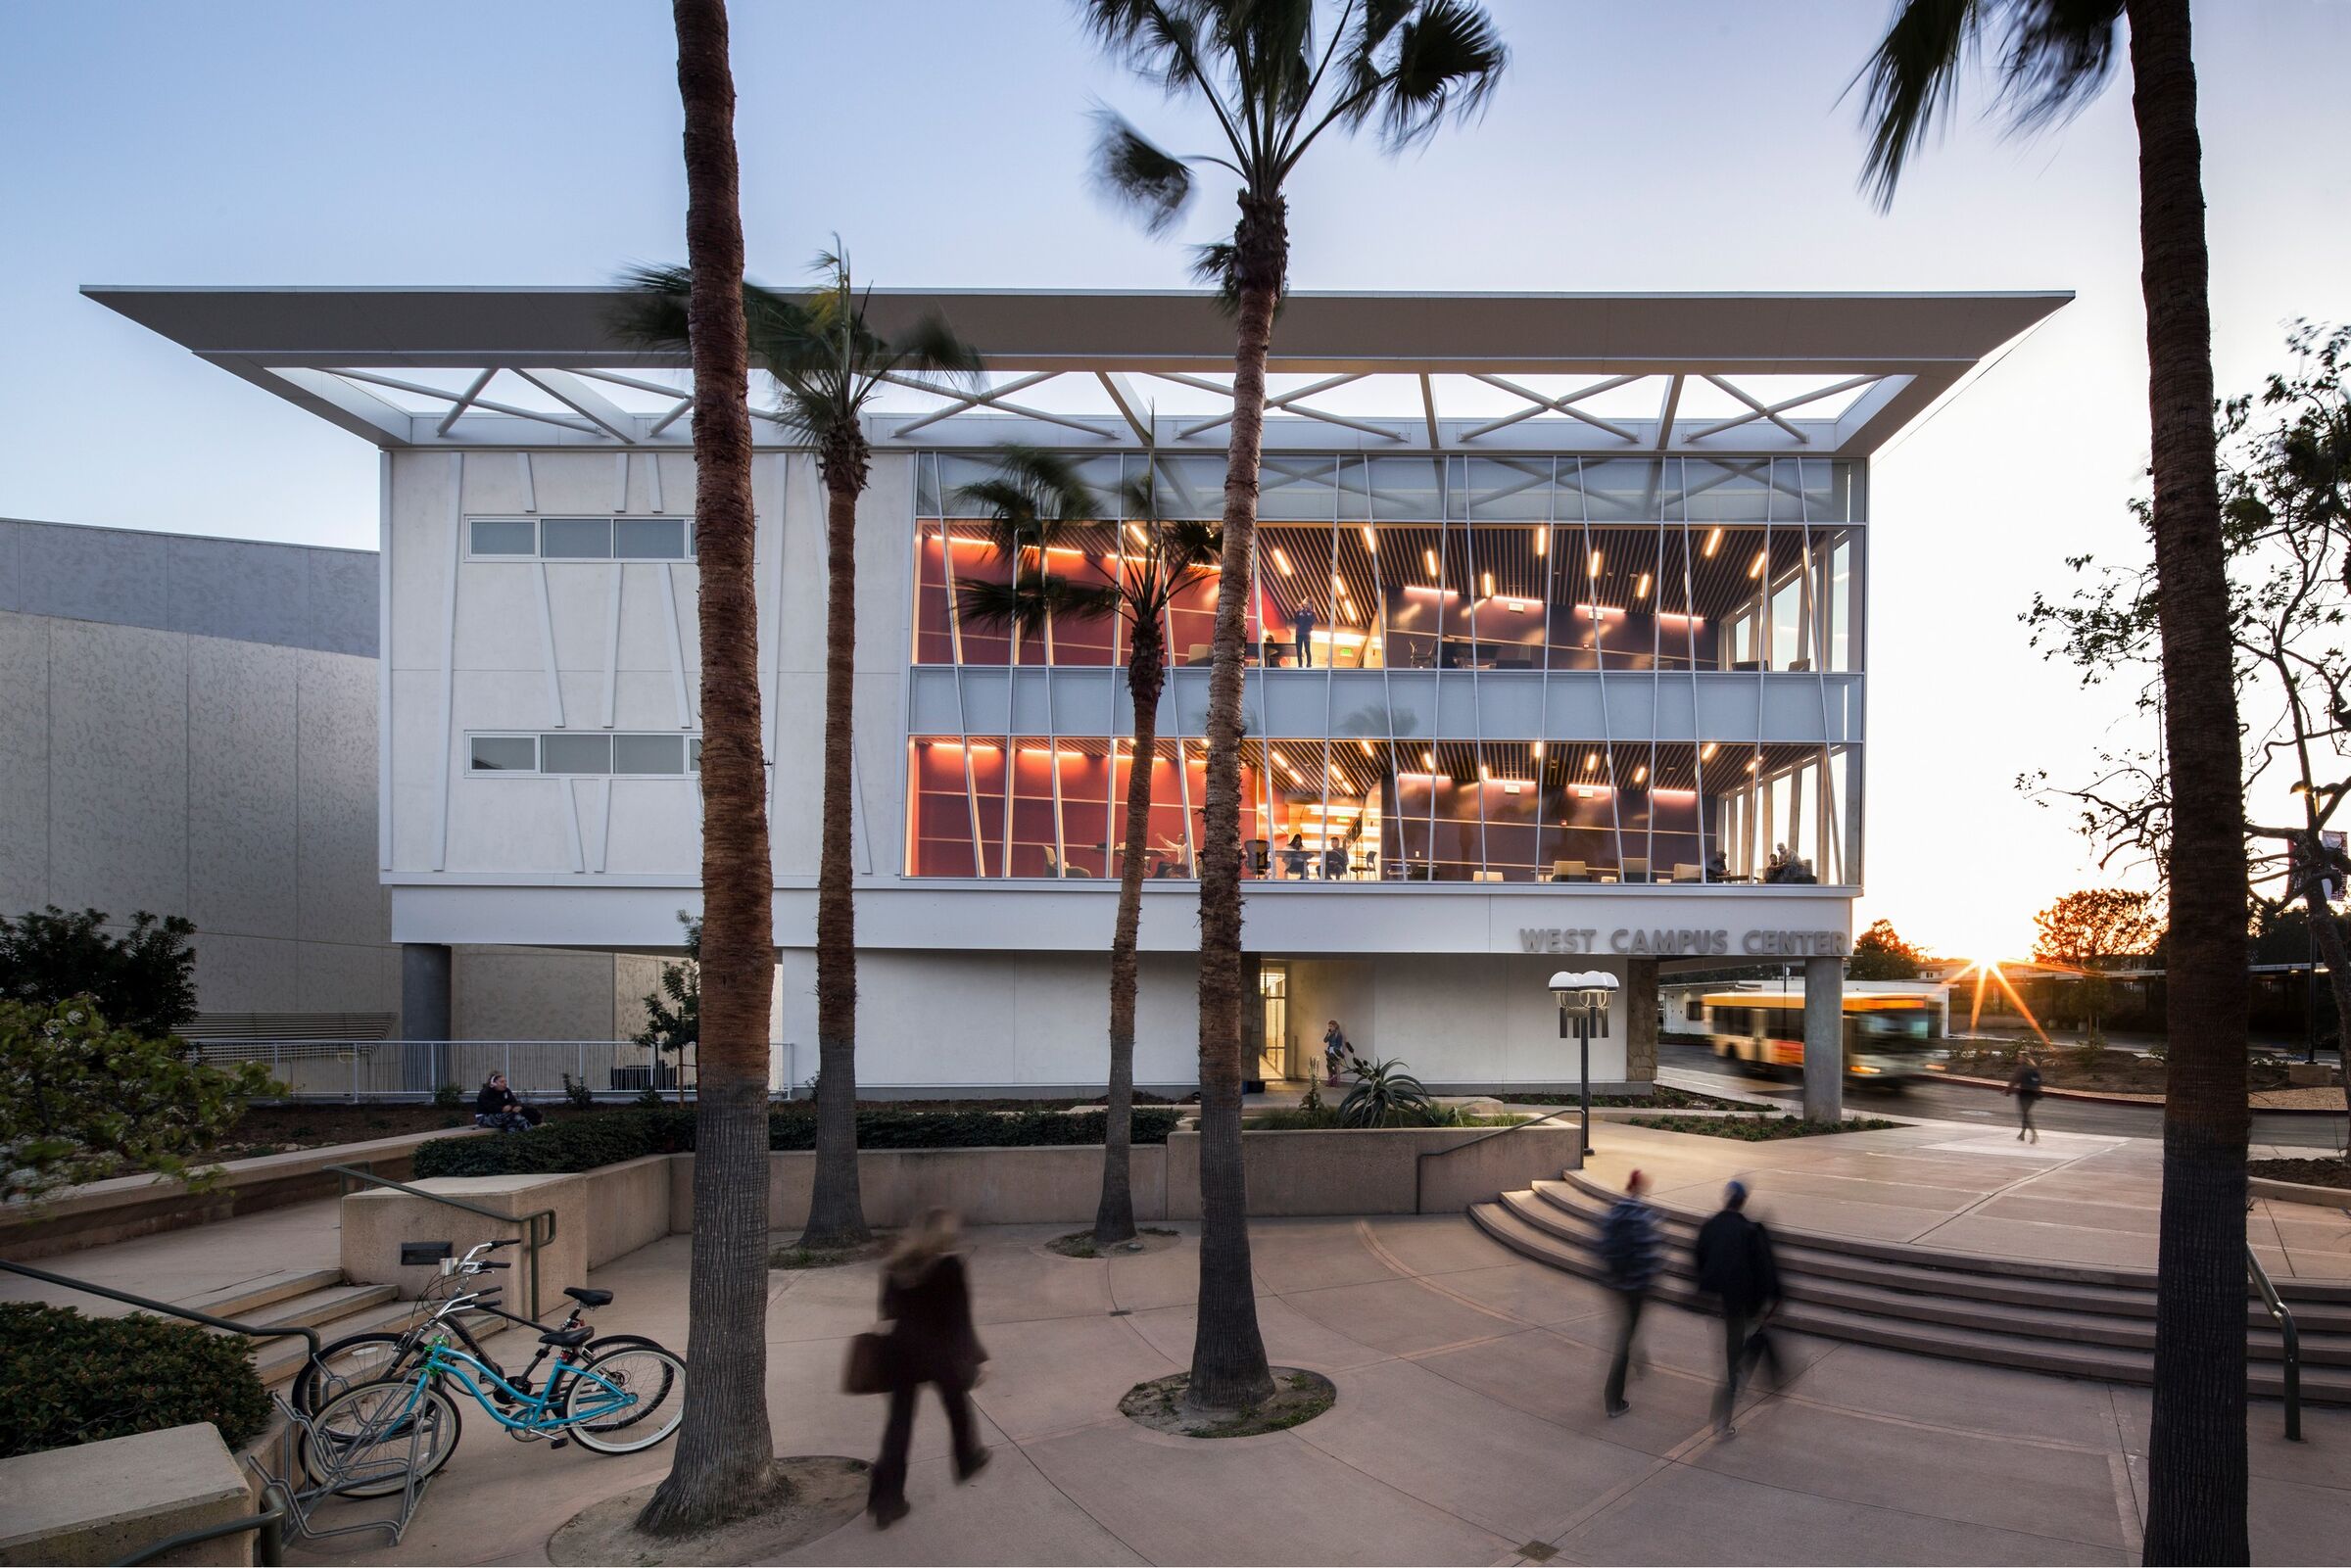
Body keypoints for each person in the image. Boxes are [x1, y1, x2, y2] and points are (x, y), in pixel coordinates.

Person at [868, 1209, 990, 1528]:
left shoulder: (895, 1267)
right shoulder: (949, 1267)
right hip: (939, 1354)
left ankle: (886, 1501)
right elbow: (961, 1321)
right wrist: (975, 1360)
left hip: (900, 1353)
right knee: (957, 1404)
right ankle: (966, 1459)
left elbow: (886, 1313)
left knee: (899, 1426)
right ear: (940, 1234)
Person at [1693, 1179, 1781, 1436]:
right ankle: (1724, 1414)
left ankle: (1729, 1398)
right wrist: (1774, 1297)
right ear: (1742, 1201)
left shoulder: (1711, 1226)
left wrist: (1704, 1290)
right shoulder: (1750, 1230)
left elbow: (1699, 1258)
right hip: (1744, 1304)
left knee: (1733, 1353)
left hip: (1722, 1301)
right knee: (1739, 1357)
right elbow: (1764, 1269)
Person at [1598, 1168, 1660, 1418]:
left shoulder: (1614, 1210)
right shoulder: (1643, 1216)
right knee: (1626, 1337)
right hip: (1636, 1286)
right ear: (1640, 1187)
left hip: (1616, 1283)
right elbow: (1648, 1253)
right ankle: (1614, 1399)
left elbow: (1600, 1244)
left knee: (1628, 1328)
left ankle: (1639, 1360)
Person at [473, 1071, 543, 1132]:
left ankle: (514, 1136)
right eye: (502, 1082)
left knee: (529, 1111)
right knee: (514, 1116)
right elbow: (492, 1108)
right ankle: (526, 1133)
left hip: (504, 1114)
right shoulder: (486, 1092)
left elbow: (513, 1101)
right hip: (485, 1118)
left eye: (505, 1081)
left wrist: (513, 1106)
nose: (505, 1083)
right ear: (493, 1083)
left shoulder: (506, 1090)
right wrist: (503, 1109)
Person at [2007, 1053, 2043, 1143]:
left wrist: (2008, 1091)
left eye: (2019, 1057)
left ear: (2023, 1059)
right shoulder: (2034, 1068)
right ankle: (2022, 1133)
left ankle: (2034, 1133)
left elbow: (2014, 1080)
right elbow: (2039, 1082)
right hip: (2033, 1093)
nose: (2018, 1059)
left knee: (2025, 1114)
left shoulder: (2021, 1068)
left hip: (2024, 1092)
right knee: (2026, 1113)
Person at [1321, 1020, 1350, 1087]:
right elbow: (1325, 1041)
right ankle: (1330, 1081)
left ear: (1335, 1026)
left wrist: (1336, 1053)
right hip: (1330, 1050)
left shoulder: (1338, 1034)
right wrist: (1328, 1034)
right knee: (1329, 1066)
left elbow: (1339, 1044)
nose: (1329, 1028)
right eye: (1329, 1026)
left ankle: (1337, 1083)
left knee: (1336, 1067)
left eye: (1331, 1026)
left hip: (1336, 1050)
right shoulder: (1329, 1033)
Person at [1292, 603, 1318, 667]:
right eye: (1305, 604)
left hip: (1306, 633)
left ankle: (1309, 664)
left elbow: (1309, 621)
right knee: (1298, 650)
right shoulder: (1301, 612)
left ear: (1311, 605)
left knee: (1307, 649)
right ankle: (1300, 664)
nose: (1306, 606)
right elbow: (1296, 621)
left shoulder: (1313, 614)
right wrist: (1297, 612)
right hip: (1298, 633)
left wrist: (1303, 611)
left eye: (1308, 604)